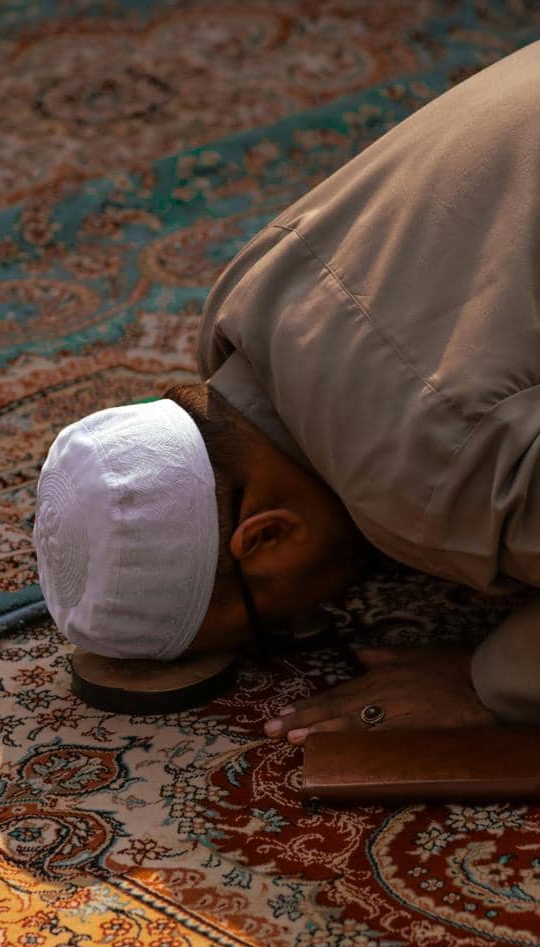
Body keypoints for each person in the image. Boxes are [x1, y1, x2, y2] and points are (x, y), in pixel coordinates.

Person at [34, 38, 540, 739]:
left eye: (280, 624)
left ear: (268, 535)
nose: (313, 620)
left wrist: (490, 680)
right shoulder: (254, 296)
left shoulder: (445, 486)